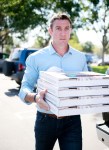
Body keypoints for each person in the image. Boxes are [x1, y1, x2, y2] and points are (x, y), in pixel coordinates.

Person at [18, 12, 88, 150]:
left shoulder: (80, 58)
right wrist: (36, 97)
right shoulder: (35, 58)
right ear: (50, 30)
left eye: (66, 28)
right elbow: (24, 88)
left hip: (72, 120)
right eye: (58, 28)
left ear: (70, 31)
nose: (63, 33)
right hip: (45, 121)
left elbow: (85, 86)